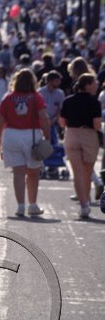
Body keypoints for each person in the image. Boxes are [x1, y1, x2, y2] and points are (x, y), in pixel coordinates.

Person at [0, 68, 50, 217]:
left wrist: (0, 140)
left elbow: (1, 120)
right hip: (31, 135)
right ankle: (32, 205)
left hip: (11, 134)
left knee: (18, 172)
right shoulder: (36, 97)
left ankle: (20, 206)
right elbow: (43, 117)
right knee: (33, 173)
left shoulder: (8, 97)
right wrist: (47, 137)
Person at [59, 73, 101, 218]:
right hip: (88, 135)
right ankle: (86, 200)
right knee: (87, 172)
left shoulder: (68, 100)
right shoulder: (94, 102)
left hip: (71, 134)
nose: (97, 85)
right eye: (94, 83)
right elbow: (96, 125)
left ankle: (84, 205)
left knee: (77, 172)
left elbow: (62, 122)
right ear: (87, 85)